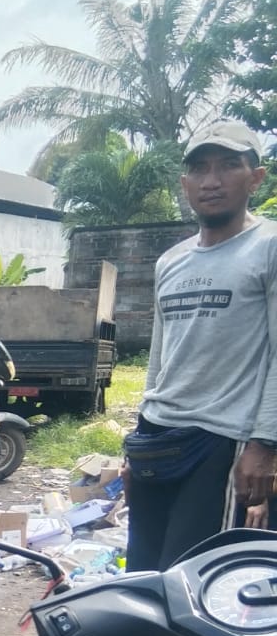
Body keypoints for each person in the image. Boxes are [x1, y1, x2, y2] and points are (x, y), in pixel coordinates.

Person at [124, 120, 277, 572]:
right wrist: (135, 446)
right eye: (199, 169)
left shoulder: (268, 247)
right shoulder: (170, 261)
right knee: (143, 574)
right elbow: (160, 357)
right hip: (157, 435)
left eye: (228, 166)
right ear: (184, 183)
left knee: (190, 578)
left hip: (221, 442)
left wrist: (265, 444)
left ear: (256, 177)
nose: (212, 181)